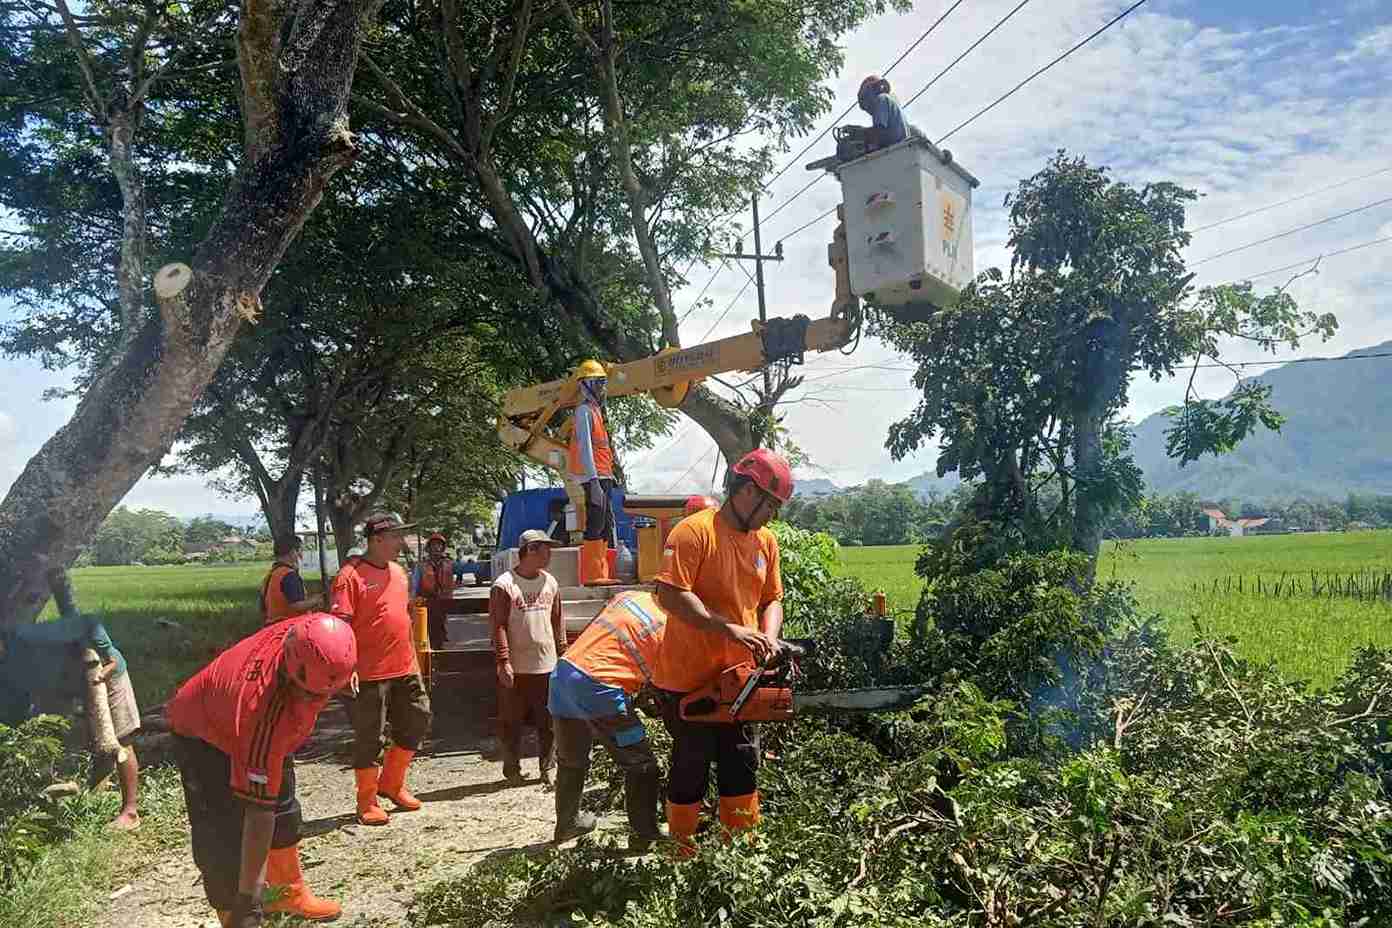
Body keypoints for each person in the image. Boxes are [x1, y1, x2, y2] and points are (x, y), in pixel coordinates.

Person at [167, 613, 356, 926]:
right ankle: (234, 914)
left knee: (284, 802)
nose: (319, 702)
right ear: (292, 675)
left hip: (244, 712)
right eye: (313, 695)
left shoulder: (313, 633)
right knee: (221, 832)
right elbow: (258, 813)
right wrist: (249, 900)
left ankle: (288, 894)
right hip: (202, 729)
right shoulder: (263, 715)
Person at [652, 448, 792, 853]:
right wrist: (729, 629)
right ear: (747, 492)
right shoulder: (694, 532)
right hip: (689, 678)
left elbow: (772, 599)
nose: (771, 517)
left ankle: (741, 856)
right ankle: (681, 852)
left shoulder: (766, 542)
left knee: (742, 765)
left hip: (741, 679)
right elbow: (671, 594)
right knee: (690, 766)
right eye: (770, 506)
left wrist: (769, 637)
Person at [330, 511, 433, 826]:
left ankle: (392, 783)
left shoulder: (399, 572)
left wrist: (416, 657)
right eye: (395, 537)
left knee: (418, 717)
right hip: (367, 674)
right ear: (375, 540)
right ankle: (367, 800)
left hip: (404, 666)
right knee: (370, 736)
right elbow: (338, 628)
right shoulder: (349, 576)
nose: (401, 542)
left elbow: (403, 616)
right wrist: (345, 668)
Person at [0, 610, 143, 831]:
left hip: (104, 673)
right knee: (65, 738)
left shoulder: (31, 635)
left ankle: (130, 812)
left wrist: (109, 657)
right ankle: (79, 796)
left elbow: (89, 623)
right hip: (68, 685)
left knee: (120, 739)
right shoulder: (8, 665)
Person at [490, 528, 565, 785]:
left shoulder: (550, 582)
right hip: (517, 666)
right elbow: (498, 624)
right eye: (545, 549)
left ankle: (547, 768)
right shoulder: (504, 585)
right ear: (530, 550)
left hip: (547, 664)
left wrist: (563, 654)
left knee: (548, 721)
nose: (549, 554)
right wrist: (503, 661)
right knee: (511, 721)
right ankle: (512, 770)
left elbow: (557, 620)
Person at [568, 359, 619, 586]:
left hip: (603, 476)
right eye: (597, 383)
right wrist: (594, 481)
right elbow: (586, 449)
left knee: (606, 523)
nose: (602, 388)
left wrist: (609, 475)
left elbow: (601, 449)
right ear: (585, 385)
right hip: (594, 477)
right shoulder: (583, 411)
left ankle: (602, 573)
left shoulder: (596, 411)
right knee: (596, 521)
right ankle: (592, 574)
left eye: (602, 383)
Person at [412, 532, 455, 649]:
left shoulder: (449, 564)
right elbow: (415, 586)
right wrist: (414, 602)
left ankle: (439, 650)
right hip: (426, 603)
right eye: (434, 545)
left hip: (443, 602)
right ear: (429, 548)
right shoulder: (421, 565)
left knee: (440, 631)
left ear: (443, 548)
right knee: (427, 632)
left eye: (439, 545)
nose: (437, 548)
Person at [261, 534, 316, 624]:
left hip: (273, 625)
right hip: (289, 626)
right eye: (300, 550)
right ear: (293, 552)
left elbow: (263, 607)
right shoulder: (289, 575)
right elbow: (297, 606)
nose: (301, 555)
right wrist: (317, 600)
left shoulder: (271, 574)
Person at [857, 73, 908, 152]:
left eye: (865, 100)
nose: (868, 109)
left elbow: (879, 132)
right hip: (900, 149)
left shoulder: (881, 99)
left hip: (896, 150)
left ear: (869, 90)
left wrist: (858, 133)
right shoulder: (890, 101)